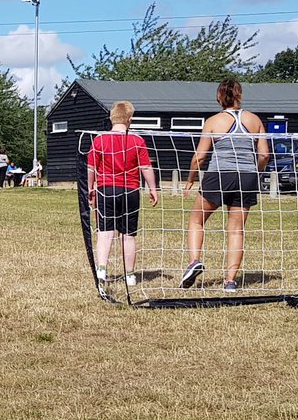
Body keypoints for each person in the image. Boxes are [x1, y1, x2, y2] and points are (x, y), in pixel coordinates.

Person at [181, 79, 270, 292]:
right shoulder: (254, 119)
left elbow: (199, 157)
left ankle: (195, 261)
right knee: (236, 231)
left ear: (219, 96)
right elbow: (265, 155)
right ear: (239, 95)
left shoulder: (213, 121)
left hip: (219, 175)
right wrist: (254, 172)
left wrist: (191, 178)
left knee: (196, 220)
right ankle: (230, 281)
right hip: (246, 177)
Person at [86, 101, 159, 285]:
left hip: (106, 190)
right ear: (130, 120)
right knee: (128, 234)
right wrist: (153, 188)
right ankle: (130, 275)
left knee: (105, 231)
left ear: (112, 118)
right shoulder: (137, 140)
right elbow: (146, 167)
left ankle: (101, 271)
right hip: (130, 191)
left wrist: (90, 187)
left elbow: (91, 167)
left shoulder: (99, 140)